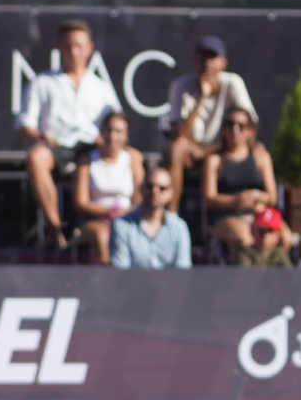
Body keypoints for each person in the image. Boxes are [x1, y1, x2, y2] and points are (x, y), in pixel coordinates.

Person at [17, 19, 122, 248]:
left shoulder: (101, 88)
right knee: (36, 157)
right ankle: (56, 230)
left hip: (93, 149)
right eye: (69, 46)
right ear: (59, 47)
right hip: (57, 147)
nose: (74, 51)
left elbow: (117, 121)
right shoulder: (41, 82)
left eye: (79, 46)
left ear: (90, 48)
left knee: (131, 157)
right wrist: (40, 137)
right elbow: (26, 123)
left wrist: (106, 140)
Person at [164, 36, 256, 210]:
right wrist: (202, 98)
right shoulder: (180, 86)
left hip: (223, 147)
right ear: (195, 62)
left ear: (223, 63)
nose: (207, 63)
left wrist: (212, 149)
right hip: (190, 151)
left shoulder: (233, 83)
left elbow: (249, 127)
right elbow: (177, 135)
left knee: (254, 148)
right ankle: (171, 216)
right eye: (202, 58)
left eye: (212, 58)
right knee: (174, 149)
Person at [201, 107, 285, 262]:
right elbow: (209, 198)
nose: (235, 129)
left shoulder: (261, 157)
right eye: (230, 124)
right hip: (225, 216)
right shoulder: (214, 160)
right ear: (223, 129)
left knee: (284, 237)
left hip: (258, 214)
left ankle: (278, 280)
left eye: (241, 125)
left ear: (250, 131)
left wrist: (254, 197)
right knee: (246, 239)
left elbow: (272, 197)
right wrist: (236, 200)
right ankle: (244, 281)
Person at [71, 111, 145, 264]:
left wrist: (125, 214)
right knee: (103, 237)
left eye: (118, 131)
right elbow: (80, 203)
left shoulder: (133, 159)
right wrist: (110, 212)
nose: (112, 136)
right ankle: (109, 281)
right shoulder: (86, 160)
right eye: (108, 130)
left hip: (128, 220)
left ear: (126, 137)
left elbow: (139, 196)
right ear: (101, 132)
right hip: (94, 221)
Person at [109, 167, 191, 269]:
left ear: (170, 193)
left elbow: (182, 273)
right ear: (141, 188)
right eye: (149, 186)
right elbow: (120, 272)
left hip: (170, 285)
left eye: (162, 188)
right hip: (133, 285)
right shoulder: (122, 225)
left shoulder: (179, 227)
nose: (155, 191)